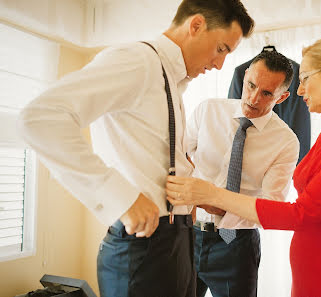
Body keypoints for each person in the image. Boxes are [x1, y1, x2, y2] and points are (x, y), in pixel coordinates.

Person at [17, 1, 254, 296]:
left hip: (177, 243)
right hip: (144, 248)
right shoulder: (137, 61)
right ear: (195, 26)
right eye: (221, 48)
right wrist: (119, 195)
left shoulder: (170, 80)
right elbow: (40, 118)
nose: (220, 64)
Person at [166, 35, 321, 297]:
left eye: (304, 78)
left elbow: (298, 213)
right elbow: (180, 153)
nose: (301, 90)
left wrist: (211, 195)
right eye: (250, 86)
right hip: (308, 270)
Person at [187, 51, 299, 297]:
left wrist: (222, 204)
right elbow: (177, 157)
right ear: (245, 75)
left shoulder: (286, 142)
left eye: (267, 93)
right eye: (251, 85)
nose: (253, 98)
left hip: (236, 244)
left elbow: (272, 207)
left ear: (282, 97)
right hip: (188, 235)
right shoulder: (208, 111)